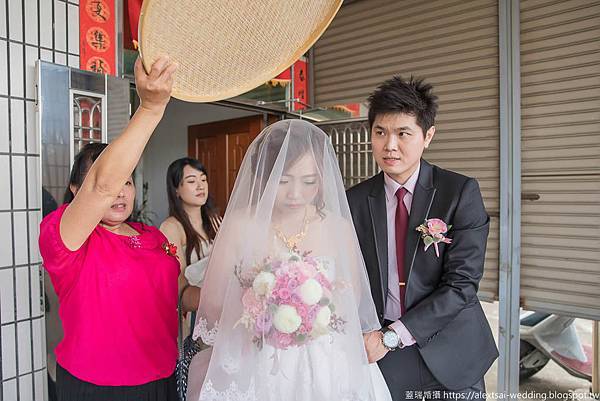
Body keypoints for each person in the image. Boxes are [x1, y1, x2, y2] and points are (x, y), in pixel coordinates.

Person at [186, 119, 392, 401]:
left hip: (326, 361)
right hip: (255, 357)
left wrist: (311, 318)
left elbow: (350, 299)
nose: (296, 193)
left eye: (308, 181)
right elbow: (213, 301)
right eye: (283, 181)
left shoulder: (338, 228)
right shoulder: (239, 225)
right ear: (264, 177)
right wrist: (262, 313)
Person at [346, 76, 499, 401]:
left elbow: (461, 284)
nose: (390, 145)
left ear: (427, 135)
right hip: (384, 355)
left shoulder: (458, 192)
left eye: (403, 133)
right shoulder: (354, 201)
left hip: (451, 349)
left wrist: (392, 336)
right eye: (380, 132)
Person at [39, 56, 179, 401]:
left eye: (127, 182)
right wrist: (150, 108)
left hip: (162, 376)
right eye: (111, 182)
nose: (119, 191)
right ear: (76, 191)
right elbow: (101, 187)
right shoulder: (65, 236)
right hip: (99, 387)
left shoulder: (153, 237)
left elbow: (175, 293)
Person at [160, 158, 222, 331]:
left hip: (220, 311)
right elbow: (176, 284)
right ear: (177, 190)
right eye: (192, 181)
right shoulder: (171, 227)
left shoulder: (215, 220)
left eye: (203, 179)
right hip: (194, 312)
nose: (201, 186)